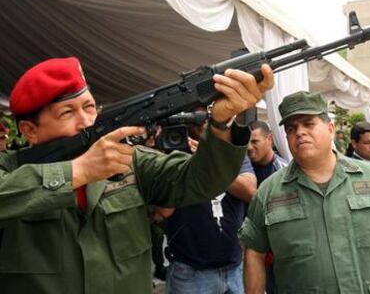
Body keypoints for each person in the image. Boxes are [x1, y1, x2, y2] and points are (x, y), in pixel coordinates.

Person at [0, 57, 274, 294]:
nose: (86, 121)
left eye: (89, 107)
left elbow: (201, 181)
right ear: (29, 130)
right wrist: (79, 171)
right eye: (67, 112)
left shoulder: (130, 161)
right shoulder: (9, 171)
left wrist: (222, 123)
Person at [240, 91, 370, 293]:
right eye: (291, 128)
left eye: (308, 123)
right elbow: (254, 253)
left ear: (331, 129)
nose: (300, 132)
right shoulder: (269, 193)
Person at [164, 113, 257, 294]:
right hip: (190, 273)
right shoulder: (174, 154)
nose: (203, 120)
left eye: (208, 115)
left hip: (234, 268)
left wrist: (210, 162)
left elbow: (249, 191)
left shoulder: (232, 151)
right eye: (196, 116)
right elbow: (163, 209)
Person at [247, 120, 287, 294]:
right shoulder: (243, 171)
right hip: (252, 249)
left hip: (279, 253)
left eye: (254, 141)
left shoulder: (284, 171)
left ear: (269, 139)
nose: (249, 147)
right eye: (246, 142)